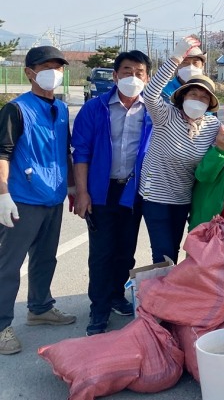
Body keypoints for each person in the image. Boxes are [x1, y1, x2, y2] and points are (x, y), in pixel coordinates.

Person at [0, 46, 76, 355]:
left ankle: (40, 308)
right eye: (46, 66)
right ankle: (2, 326)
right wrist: (3, 194)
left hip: (52, 198)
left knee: (46, 257)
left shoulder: (61, 109)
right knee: (9, 264)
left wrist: (72, 189)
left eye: (58, 67)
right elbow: (2, 153)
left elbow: (64, 153)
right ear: (30, 72)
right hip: (22, 199)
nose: (53, 73)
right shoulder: (16, 109)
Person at [72, 50, 153, 336]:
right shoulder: (95, 108)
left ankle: (117, 294)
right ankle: (99, 309)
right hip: (102, 191)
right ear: (115, 76)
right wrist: (82, 192)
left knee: (125, 250)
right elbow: (80, 152)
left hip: (134, 192)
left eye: (139, 72)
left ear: (148, 78)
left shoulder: (153, 110)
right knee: (102, 252)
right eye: (126, 71)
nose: (132, 77)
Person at [140, 37, 221, 264]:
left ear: (210, 104)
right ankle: (160, 296)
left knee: (175, 250)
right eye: (193, 95)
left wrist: (223, 148)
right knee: (163, 253)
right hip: (155, 194)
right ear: (183, 96)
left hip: (184, 196)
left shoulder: (212, 125)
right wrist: (176, 58)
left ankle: (168, 292)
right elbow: (150, 94)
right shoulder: (166, 115)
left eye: (204, 97)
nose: (198, 100)